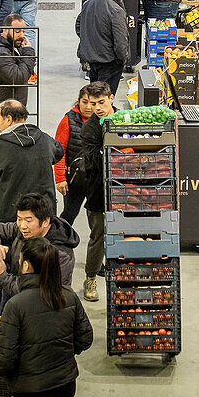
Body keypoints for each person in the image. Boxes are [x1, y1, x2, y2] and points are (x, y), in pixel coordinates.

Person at [0, 236, 93, 397]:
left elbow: (3, 362)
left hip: (28, 393)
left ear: (26, 266)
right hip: (65, 386)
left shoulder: (16, 305)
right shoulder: (69, 296)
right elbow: (85, 339)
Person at [0, 193, 79, 300]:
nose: (22, 226)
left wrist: (2, 275)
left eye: (28, 220)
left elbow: (37, 295)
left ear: (45, 221)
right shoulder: (24, 230)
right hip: (13, 289)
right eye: (19, 219)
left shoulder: (59, 254)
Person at [0, 100, 62, 224]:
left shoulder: (1, 146)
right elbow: (59, 152)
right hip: (43, 214)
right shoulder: (45, 138)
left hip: (13, 216)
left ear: (8, 119)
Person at [79, 82, 115, 302]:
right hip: (98, 192)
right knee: (98, 238)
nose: (97, 108)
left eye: (101, 102)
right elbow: (93, 161)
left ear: (111, 98)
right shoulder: (89, 129)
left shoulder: (123, 120)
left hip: (124, 189)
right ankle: (90, 278)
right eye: (93, 104)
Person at [76, 0, 129, 96]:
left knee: (95, 97)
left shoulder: (88, 3)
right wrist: (122, 58)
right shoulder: (116, 10)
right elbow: (120, 41)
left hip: (92, 59)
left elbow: (78, 26)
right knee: (104, 100)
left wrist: (90, 40)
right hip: (109, 63)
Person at [0, 15, 37, 121]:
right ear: (5, 30)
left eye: (24, 31)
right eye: (17, 32)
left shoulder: (11, 44)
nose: (22, 35)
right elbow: (18, 78)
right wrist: (28, 53)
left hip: (9, 113)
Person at [53, 87, 93, 225]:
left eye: (92, 103)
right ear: (78, 101)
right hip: (75, 180)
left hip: (97, 179)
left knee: (96, 217)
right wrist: (60, 178)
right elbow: (58, 151)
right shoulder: (69, 120)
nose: (88, 107)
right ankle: (59, 241)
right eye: (84, 102)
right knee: (69, 213)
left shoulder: (106, 119)